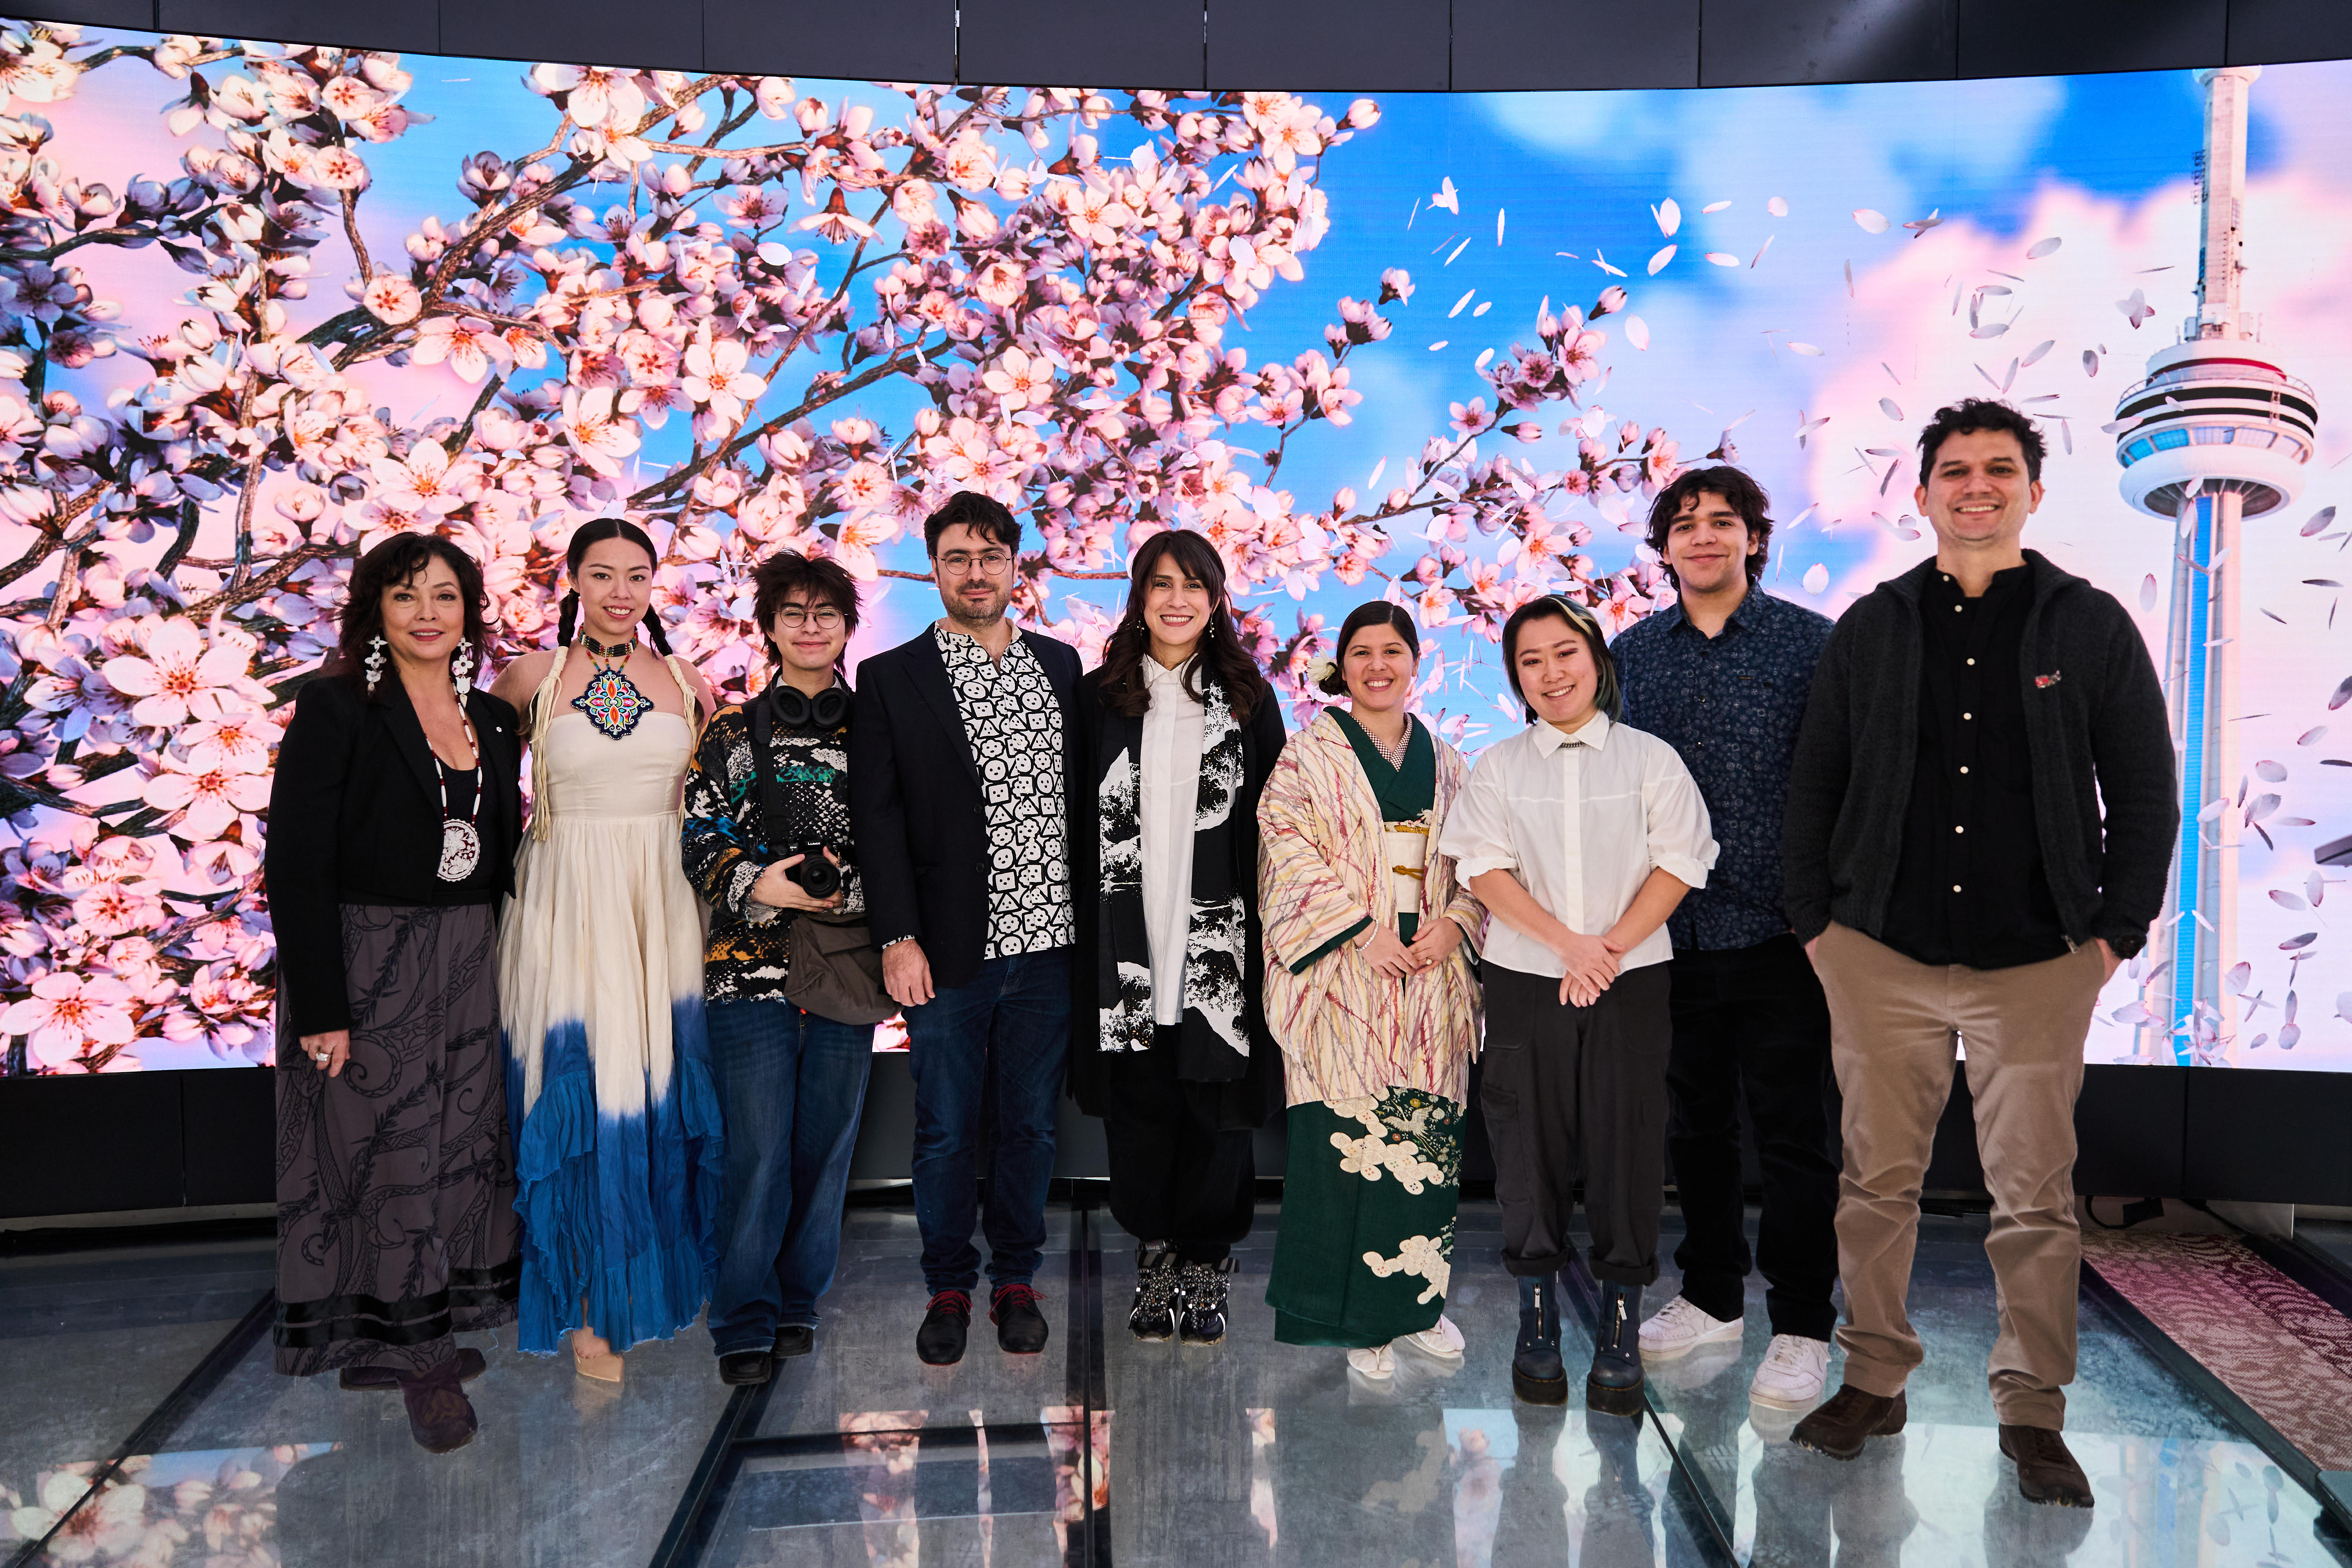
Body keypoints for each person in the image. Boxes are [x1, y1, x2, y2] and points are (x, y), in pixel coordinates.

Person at [1783, 399, 2176, 1507]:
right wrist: (1820, 927)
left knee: (2037, 1199)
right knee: (1874, 1185)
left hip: (2039, 960)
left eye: (2000, 470)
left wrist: (2115, 935)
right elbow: (1817, 779)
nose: (1976, 486)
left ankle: (2033, 1409)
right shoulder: (1874, 625)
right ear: (1922, 495)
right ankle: (1874, 1378)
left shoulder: (2088, 625)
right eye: (1954, 470)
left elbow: (2143, 788)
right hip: (1880, 954)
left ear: (2033, 492)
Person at [265, 533, 524, 1454]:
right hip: (367, 954)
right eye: (407, 594)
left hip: (468, 955)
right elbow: (294, 863)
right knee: (391, 1144)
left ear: (469, 612)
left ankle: (389, 1328)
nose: (428, 612)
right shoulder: (338, 706)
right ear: (375, 606)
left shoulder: (492, 716)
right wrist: (324, 1005)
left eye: (446, 596)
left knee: (455, 1141)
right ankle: (424, 1358)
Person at [1439, 594, 1717, 1412]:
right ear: (1516, 677)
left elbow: (1681, 862)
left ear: (1596, 659)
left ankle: (1621, 1324)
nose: (1551, 673)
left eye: (1565, 653)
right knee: (1529, 1143)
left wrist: (1607, 950)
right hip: (1529, 979)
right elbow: (1482, 870)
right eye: (1531, 660)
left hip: (1633, 979)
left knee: (1627, 1143)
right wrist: (1570, 946)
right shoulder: (1499, 766)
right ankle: (1537, 1319)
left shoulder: (1649, 759)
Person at [1611, 466, 1841, 1412]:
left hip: (1786, 933)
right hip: (1672, 932)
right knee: (1693, 1127)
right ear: (1662, 548)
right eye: (1685, 524)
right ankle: (1709, 1295)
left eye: (1724, 522)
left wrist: (1824, 912)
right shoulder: (1628, 656)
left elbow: (1847, 783)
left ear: (1755, 536)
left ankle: (1800, 1320)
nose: (1704, 537)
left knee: (1796, 1136)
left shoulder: (1811, 646)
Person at [488, 517, 723, 1384]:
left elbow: (723, 801)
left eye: (637, 574)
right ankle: (587, 1300)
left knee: (655, 1087)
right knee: (581, 1082)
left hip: (662, 904)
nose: (621, 592)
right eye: (602, 574)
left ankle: (654, 1277)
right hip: (565, 902)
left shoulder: (689, 680)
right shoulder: (528, 679)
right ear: (574, 582)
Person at [849, 490, 1081, 1366]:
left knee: (1030, 1126)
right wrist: (896, 933)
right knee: (945, 1126)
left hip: (1051, 946)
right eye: (956, 557)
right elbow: (878, 815)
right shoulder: (891, 676)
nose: (975, 572)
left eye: (990, 556)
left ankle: (1016, 1277)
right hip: (948, 950)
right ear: (935, 569)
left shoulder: (1061, 667)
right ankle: (948, 1282)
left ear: (1016, 566)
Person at [1070, 529, 1288, 1346]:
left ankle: (1206, 1257)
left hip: (1217, 942)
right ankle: (1155, 1250)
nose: (1177, 599)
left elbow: (1274, 825)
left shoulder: (1247, 698)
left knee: (1215, 1108)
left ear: (1216, 596)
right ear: (1139, 596)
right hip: (1125, 940)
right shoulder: (1100, 700)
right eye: (1161, 583)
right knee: (1141, 1106)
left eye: (1194, 584)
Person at [1258, 601, 1485, 1381]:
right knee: (1345, 1141)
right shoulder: (1307, 756)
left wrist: (1456, 922)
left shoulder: (1452, 761)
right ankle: (1355, 1316)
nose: (1377, 665)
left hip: (1430, 975)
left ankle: (1416, 1304)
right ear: (1342, 666)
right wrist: (1361, 929)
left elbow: (1489, 863)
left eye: (1393, 651)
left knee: (1423, 1140)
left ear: (1415, 663)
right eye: (1361, 652)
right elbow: (1284, 848)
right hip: (1345, 974)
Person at [681, 549, 877, 1387]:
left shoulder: (880, 729)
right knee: (755, 1149)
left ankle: (799, 1298)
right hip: (745, 972)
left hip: (845, 963)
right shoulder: (730, 730)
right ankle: (742, 1316)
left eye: (824, 612)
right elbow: (695, 831)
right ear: (767, 627)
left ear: (845, 628)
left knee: (826, 1145)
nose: (809, 625)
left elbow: (913, 845)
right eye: (792, 612)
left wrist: (847, 890)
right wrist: (759, 882)